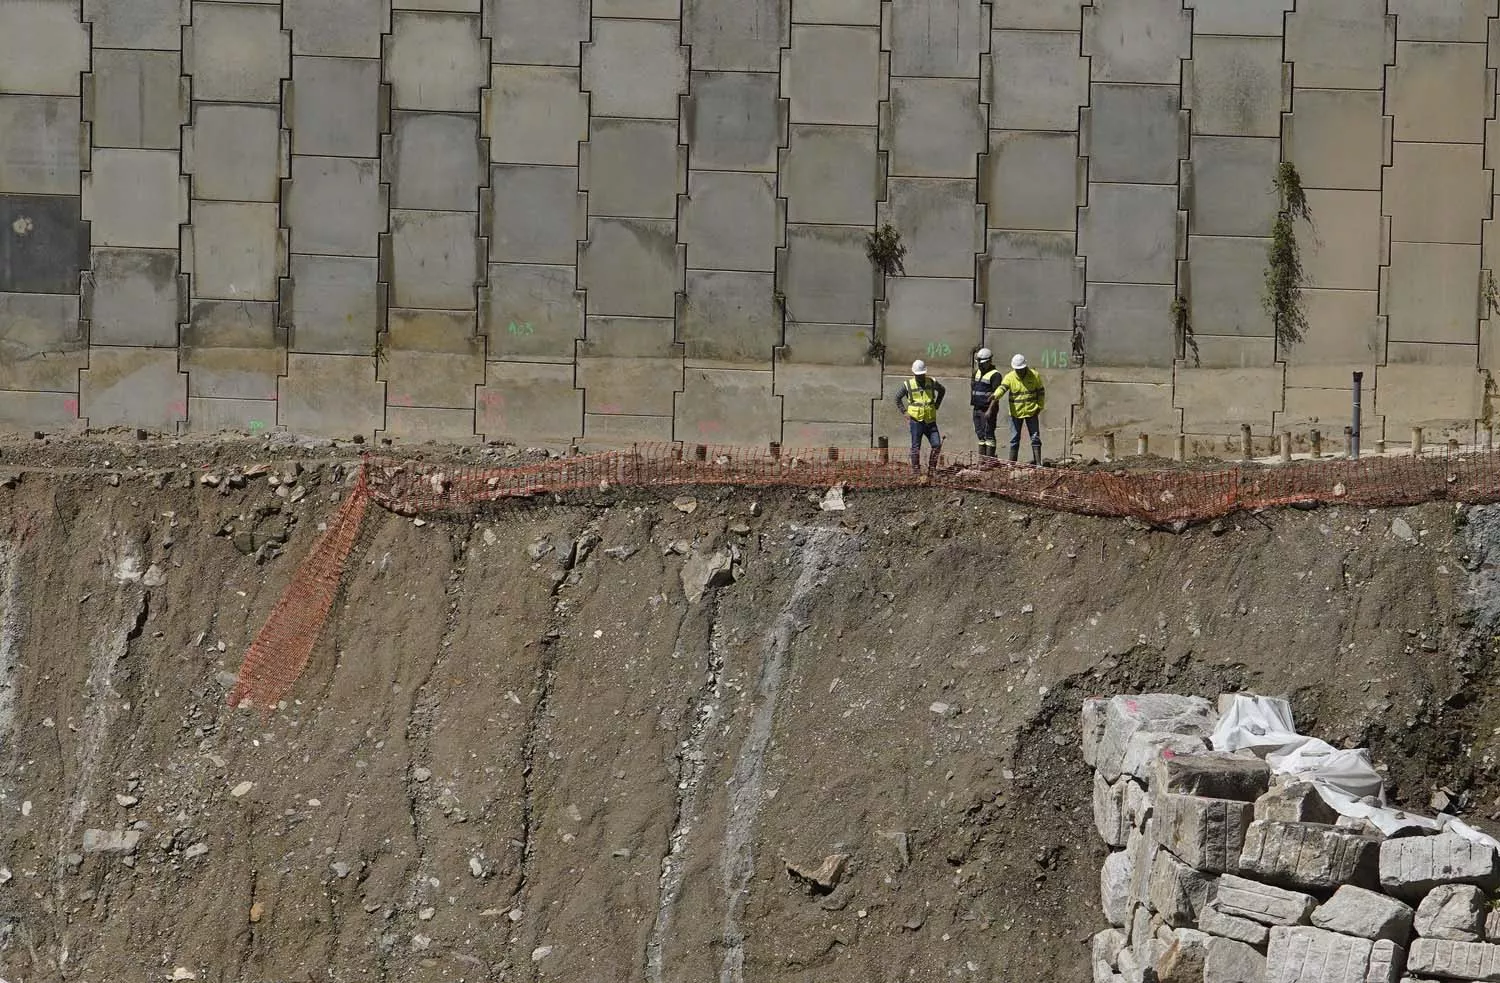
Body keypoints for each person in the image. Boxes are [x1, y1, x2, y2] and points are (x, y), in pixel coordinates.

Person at [895, 359, 945, 481]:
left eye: (922, 374)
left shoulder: (932, 382)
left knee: (936, 445)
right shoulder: (908, 384)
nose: (920, 376)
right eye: (918, 375)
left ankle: (932, 470)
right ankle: (916, 472)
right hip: (916, 421)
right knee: (916, 446)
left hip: (930, 421)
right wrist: (904, 412)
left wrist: (937, 404)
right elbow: (897, 398)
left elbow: (942, 390)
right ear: (914, 374)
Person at [996, 353, 1045, 465]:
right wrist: (995, 395)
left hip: (1031, 411)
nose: (1020, 371)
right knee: (1014, 439)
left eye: (1021, 369)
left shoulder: (1034, 375)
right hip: (1015, 413)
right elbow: (1003, 388)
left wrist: (1039, 406)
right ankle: (1012, 464)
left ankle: (1038, 464)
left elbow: (1041, 392)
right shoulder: (1010, 377)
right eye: (1017, 370)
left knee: (1035, 438)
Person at [970, 348, 1003, 458]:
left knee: (989, 434)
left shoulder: (995, 375)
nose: (980, 366)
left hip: (987, 409)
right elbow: (973, 384)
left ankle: (989, 461)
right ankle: (982, 461)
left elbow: (996, 395)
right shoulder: (977, 372)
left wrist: (990, 410)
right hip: (977, 407)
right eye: (979, 363)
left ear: (989, 361)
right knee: (980, 435)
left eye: (982, 364)